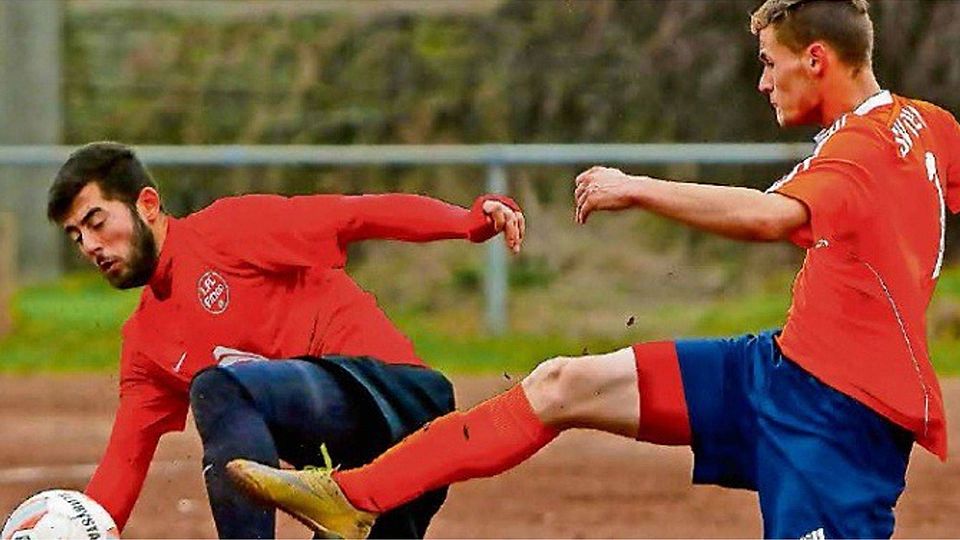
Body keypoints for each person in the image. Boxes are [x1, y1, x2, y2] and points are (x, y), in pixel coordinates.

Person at [227, 0, 960, 538]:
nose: (763, 82)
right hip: (781, 371)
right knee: (561, 383)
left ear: (817, 59)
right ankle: (352, 497)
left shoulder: (859, 152)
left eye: (768, 64)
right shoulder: (925, 123)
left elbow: (773, 216)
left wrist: (636, 187)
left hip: (841, 425)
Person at [45, 141, 526, 539]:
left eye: (96, 221)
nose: (89, 245)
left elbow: (355, 216)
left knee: (219, 388)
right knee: (222, 390)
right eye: (75, 236)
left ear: (147, 205)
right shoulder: (145, 348)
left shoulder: (227, 230)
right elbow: (120, 472)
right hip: (358, 484)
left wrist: (466, 223)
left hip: (401, 405)